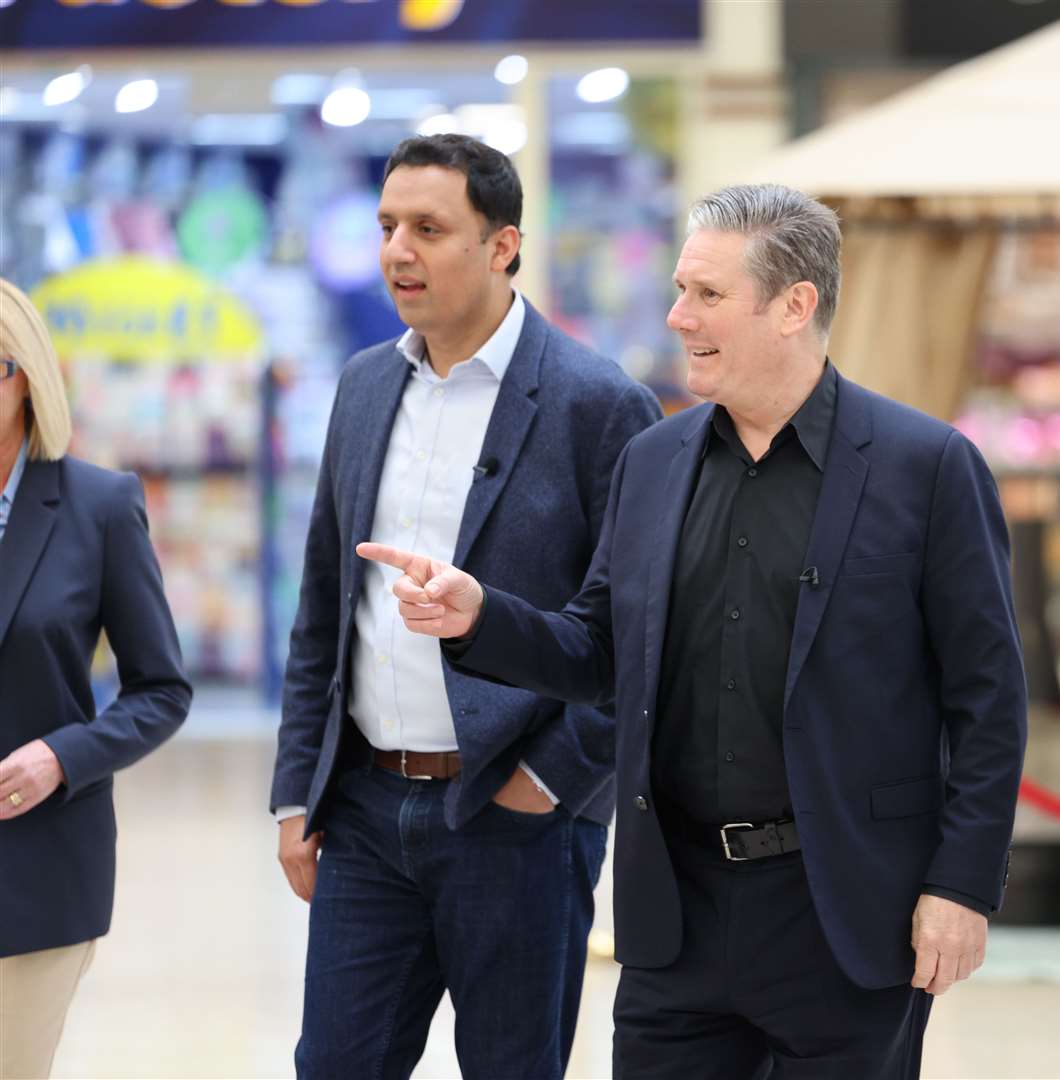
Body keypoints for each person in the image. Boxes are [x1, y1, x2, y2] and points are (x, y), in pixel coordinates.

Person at [359, 183, 1028, 1079]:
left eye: (707, 295)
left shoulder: (926, 467)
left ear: (794, 306)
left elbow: (987, 702)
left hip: (845, 910)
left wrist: (959, 886)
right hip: (676, 914)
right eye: (680, 289)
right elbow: (598, 651)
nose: (677, 317)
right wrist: (482, 616)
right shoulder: (653, 461)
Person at [268, 134, 660, 1080]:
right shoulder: (364, 386)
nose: (398, 248)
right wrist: (296, 791)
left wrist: (555, 785)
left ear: (502, 245)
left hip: (514, 819)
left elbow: (642, 637)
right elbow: (324, 603)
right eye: (388, 225)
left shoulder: (598, 404)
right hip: (362, 809)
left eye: (429, 228)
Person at [0, 277, 192, 1079]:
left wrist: (60, 757)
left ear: (25, 377)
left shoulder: (98, 505)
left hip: (29, 872)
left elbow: (161, 689)